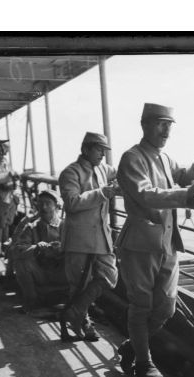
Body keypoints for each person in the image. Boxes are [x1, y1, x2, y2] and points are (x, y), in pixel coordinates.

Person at [116, 103, 194, 377]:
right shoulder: (131, 158)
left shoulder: (164, 158)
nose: (166, 129)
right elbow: (147, 194)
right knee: (141, 305)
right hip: (141, 244)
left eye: (170, 124)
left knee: (166, 307)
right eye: (160, 123)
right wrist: (186, 194)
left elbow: (177, 176)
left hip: (168, 243)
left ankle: (133, 346)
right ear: (145, 125)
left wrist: (193, 174)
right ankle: (144, 363)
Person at [58, 132, 119, 341]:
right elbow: (72, 203)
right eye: (99, 149)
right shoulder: (70, 173)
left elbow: (125, 173)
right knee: (79, 285)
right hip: (78, 239)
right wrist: (103, 193)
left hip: (101, 237)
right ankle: (83, 322)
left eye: (104, 150)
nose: (103, 154)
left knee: (110, 276)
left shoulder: (103, 169)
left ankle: (74, 313)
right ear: (85, 149)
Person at [12, 188, 68, 312]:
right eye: (40, 203)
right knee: (21, 263)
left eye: (48, 203)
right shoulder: (31, 227)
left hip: (62, 272)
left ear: (57, 206)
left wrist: (62, 249)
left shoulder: (66, 226)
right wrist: (36, 247)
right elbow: (16, 250)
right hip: (41, 272)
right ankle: (32, 302)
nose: (43, 207)